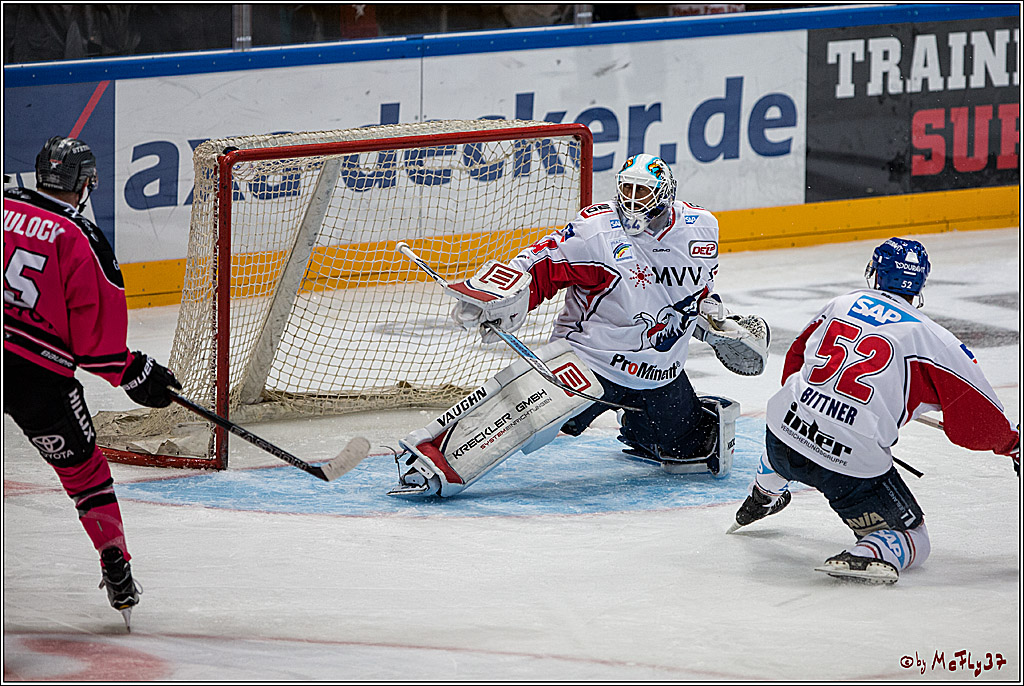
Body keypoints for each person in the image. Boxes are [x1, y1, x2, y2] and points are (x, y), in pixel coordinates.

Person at [388, 154, 769, 497]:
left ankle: (639, 428)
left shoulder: (701, 227)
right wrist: (495, 297)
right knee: (522, 418)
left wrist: (713, 321)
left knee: (695, 452)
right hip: (589, 363)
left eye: (642, 191)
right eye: (626, 189)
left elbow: (690, 293)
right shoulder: (596, 231)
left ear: (665, 194)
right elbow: (539, 265)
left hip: (659, 372)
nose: (632, 200)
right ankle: (433, 455)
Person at [728, 237, 1019, 584]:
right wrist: (1011, 444)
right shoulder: (934, 339)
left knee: (790, 433)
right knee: (915, 540)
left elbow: (795, 360)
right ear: (920, 284)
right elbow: (978, 424)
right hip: (847, 468)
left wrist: (813, 410)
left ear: (876, 273)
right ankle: (870, 552)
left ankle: (763, 492)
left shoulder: (842, 303)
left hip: (781, 437)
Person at [4, 136, 182, 628]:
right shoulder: (82, 238)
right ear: (85, 183)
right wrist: (137, 373)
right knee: (84, 474)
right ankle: (114, 561)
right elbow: (97, 348)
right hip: (37, 378)